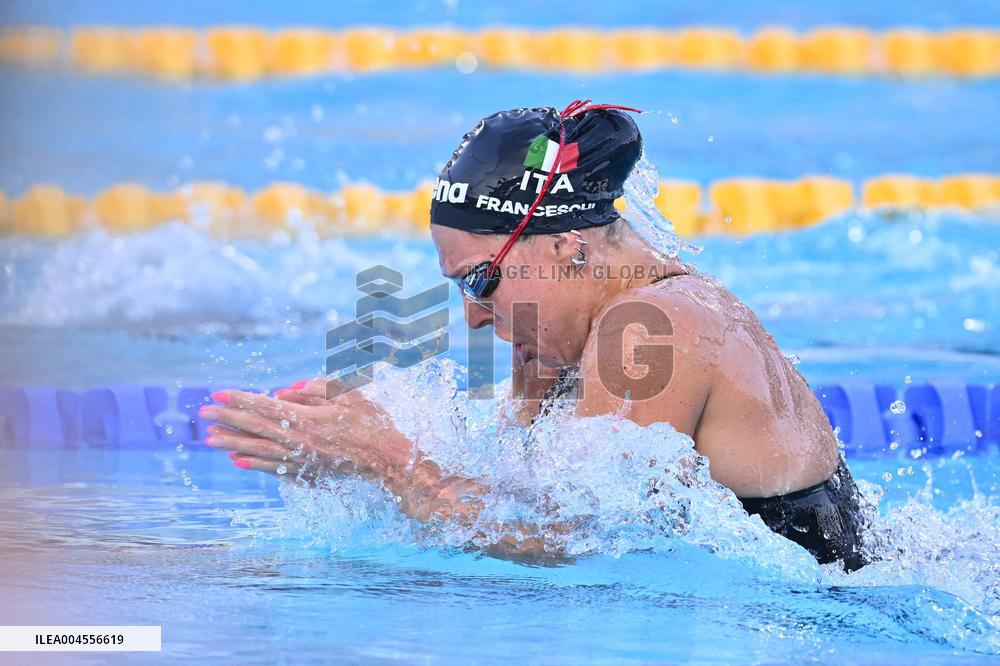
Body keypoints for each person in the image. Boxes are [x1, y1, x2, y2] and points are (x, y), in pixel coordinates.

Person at [201, 100, 871, 571]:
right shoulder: (570, 340)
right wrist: (356, 439)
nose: (472, 316)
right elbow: (520, 501)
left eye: (480, 281)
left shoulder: (654, 327)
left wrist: (387, 460)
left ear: (568, 248)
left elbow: (579, 541)